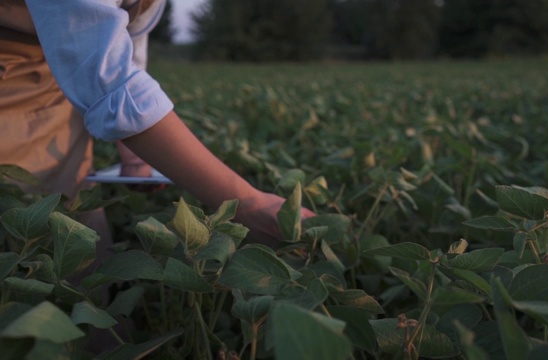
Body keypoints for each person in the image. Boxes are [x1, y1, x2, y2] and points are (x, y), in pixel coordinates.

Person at [0, 0, 314, 247]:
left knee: (76, 220)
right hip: (11, 74)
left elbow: (124, 55)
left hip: (63, 63)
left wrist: (136, 157)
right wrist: (247, 206)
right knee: (27, 220)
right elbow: (109, 80)